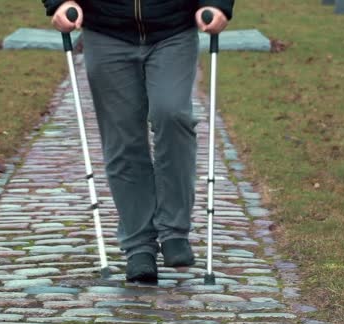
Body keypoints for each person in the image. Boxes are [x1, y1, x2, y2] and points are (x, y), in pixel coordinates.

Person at [42, 0, 234, 282]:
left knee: (172, 115)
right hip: (107, 31)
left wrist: (216, 5)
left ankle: (174, 231)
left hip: (173, 29)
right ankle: (138, 246)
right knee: (123, 138)